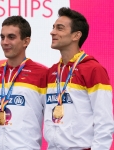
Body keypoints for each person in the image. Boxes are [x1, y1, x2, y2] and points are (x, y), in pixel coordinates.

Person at [43, 7, 114, 150]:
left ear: (76, 36)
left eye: (60, 28)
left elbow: (104, 122)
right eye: (53, 27)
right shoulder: (51, 71)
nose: (52, 32)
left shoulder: (94, 70)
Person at [0, 16, 48, 150]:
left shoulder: (43, 74)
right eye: (2, 37)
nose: (5, 42)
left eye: (11, 37)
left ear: (26, 41)